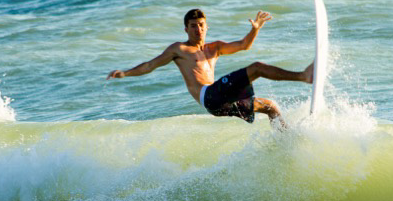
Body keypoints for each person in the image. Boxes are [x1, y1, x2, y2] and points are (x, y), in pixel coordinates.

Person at [107, 8, 313, 125]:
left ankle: (286, 140)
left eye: (201, 25)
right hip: (209, 96)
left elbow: (243, 45)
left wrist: (255, 30)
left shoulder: (215, 48)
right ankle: (304, 76)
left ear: (207, 27)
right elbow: (150, 65)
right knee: (257, 67)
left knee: (270, 107)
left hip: (221, 102)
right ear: (186, 29)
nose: (198, 29)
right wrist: (125, 73)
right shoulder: (179, 49)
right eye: (194, 26)